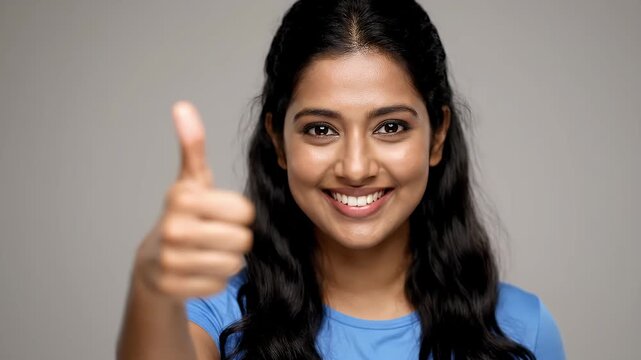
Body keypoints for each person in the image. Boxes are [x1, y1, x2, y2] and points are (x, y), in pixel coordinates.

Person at [117, 0, 566, 359]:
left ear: (437, 136)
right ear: (278, 141)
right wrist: (150, 283)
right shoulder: (212, 317)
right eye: (320, 129)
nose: (355, 168)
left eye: (390, 127)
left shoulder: (523, 328)